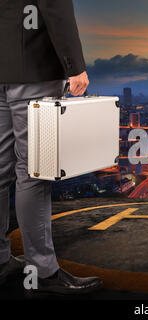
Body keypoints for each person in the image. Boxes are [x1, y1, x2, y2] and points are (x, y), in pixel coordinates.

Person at [0, 0, 102, 294]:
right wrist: (75, 67)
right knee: (33, 170)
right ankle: (42, 271)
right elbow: (55, 8)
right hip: (34, 71)